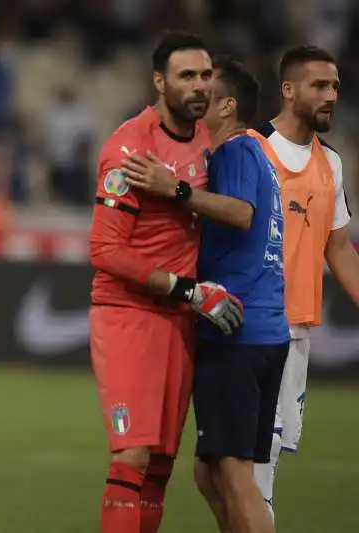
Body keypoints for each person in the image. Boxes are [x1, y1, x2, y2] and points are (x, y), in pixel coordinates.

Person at [122, 56, 290, 533]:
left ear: (229, 106)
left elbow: (239, 213)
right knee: (209, 472)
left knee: (234, 474)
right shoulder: (257, 155)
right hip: (257, 326)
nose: (197, 99)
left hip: (237, 328)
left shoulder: (235, 151)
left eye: (208, 94)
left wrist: (173, 188)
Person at [88, 32, 244, 533]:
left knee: (158, 465)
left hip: (180, 318)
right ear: (159, 81)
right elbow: (106, 251)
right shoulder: (130, 149)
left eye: (205, 76)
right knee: (131, 456)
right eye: (186, 76)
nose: (199, 86)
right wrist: (188, 289)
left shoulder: (205, 139)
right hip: (130, 314)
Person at [247, 45, 359, 522]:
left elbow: (338, 249)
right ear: (289, 89)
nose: (331, 95)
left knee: (264, 464)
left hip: (296, 329)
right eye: (319, 85)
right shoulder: (251, 148)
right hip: (250, 325)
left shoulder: (329, 164)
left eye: (334, 86)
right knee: (253, 459)